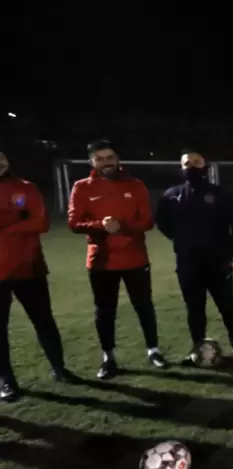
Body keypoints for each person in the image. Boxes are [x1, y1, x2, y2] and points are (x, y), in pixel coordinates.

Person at [68, 140, 167, 379]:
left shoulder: (135, 185)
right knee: (105, 310)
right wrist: (100, 226)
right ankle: (108, 358)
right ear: (92, 162)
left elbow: (147, 221)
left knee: (144, 306)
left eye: (109, 156)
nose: (106, 162)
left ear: (117, 158)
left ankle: (154, 350)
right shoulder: (82, 187)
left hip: (135, 258)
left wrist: (121, 225)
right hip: (101, 261)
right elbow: (74, 223)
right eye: (100, 158)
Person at [155, 149, 233, 364]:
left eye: (197, 162)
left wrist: (229, 250)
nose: (192, 166)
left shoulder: (220, 194)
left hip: (218, 263)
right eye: (187, 163)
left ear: (205, 166)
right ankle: (198, 349)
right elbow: (163, 223)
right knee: (195, 309)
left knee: (227, 306)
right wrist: (182, 242)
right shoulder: (171, 195)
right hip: (188, 265)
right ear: (181, 168)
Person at [0, 151, 76, 401]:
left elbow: (40, 222)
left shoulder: (25, 187)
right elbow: (29, 221)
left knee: (44, 321)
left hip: (29, 269)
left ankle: (59, 369)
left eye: (1, 157)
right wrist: (18, 222)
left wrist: (7, 227)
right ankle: (6, 381)